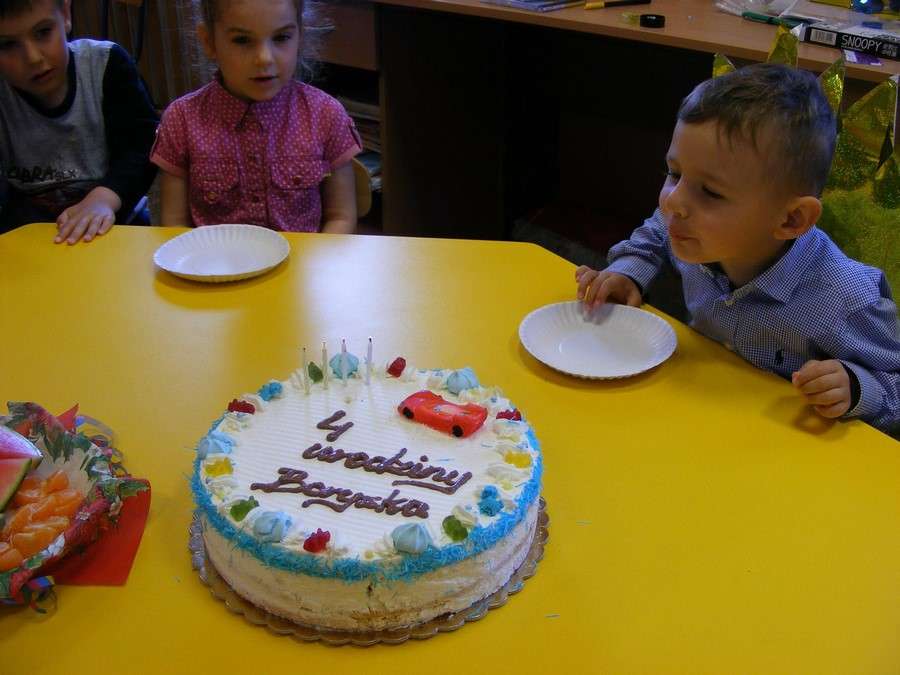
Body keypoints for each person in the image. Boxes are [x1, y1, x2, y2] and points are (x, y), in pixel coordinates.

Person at [574, 64, 900, 435]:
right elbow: (656, 231)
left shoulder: (848, 300)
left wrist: (856, 387)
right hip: (695, 412)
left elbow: (895, 382)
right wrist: (629, 272)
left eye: (710, 192)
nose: (673, 201)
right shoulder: (692, 228)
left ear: (791, 219)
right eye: (674, 173)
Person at [151, 0, 361, 233]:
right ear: (209, 42)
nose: (264, 58)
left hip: (303, 257)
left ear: (300, 36)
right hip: (212, 257)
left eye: (281, 38)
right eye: (242, 40)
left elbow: (341, 217)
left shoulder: (326, 115)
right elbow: (174, 223)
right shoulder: (181, 120)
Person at [0, 0, 159, 244]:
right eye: (8, 45)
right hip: (30, 235)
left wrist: (104, 198)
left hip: (116, 224)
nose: (33, 58)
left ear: (65, 13)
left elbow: (142, 146)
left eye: (43, 32)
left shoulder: (106, 63)